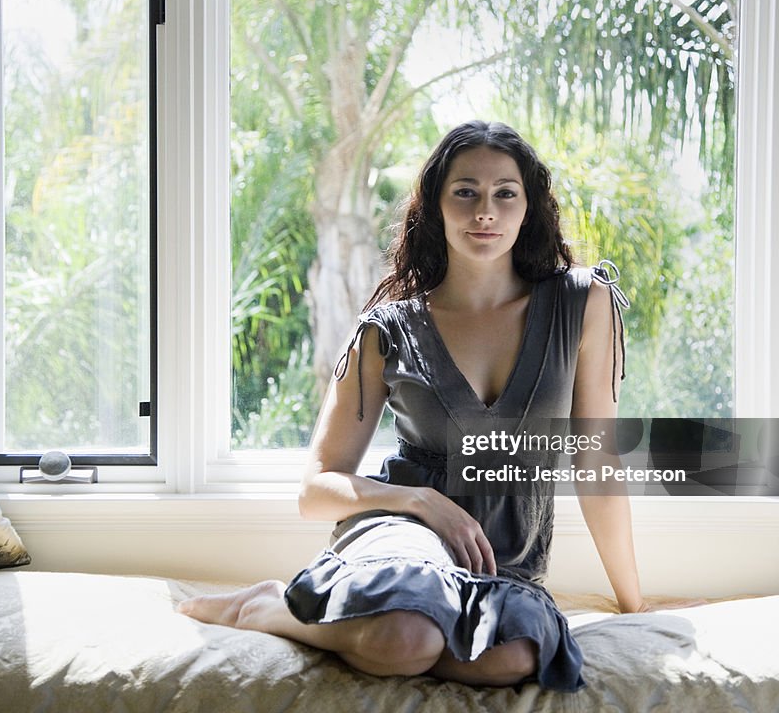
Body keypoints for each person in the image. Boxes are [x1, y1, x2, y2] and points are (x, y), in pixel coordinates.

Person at [179, 120, 651, 691]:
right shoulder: (390, 329)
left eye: (505, 193)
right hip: (402, 534)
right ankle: (263, 609)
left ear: (528, 207)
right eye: (465, 192)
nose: (485, 211)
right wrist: (423, 502)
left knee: (517, 656)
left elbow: (594, 459)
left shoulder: (583, 302)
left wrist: (634, 602)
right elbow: (316, 487)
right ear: (435, 204)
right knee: (409, 635)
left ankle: (360, 622)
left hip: (505, 554)